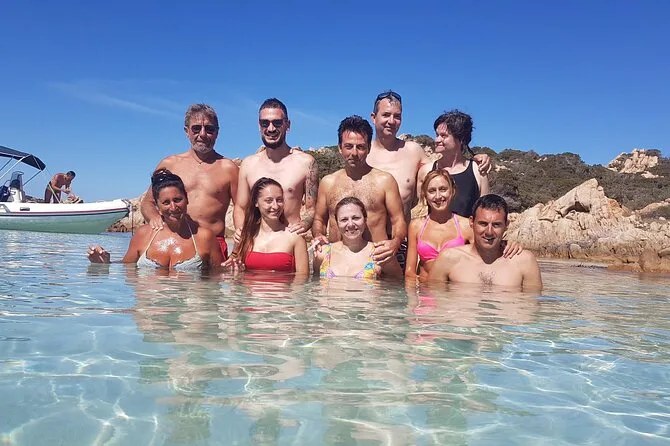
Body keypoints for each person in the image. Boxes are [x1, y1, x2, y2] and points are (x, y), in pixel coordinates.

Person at [367, 91, 491, 220]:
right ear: (373, 118)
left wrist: (479, 158)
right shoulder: (362, 153)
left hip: (402, 231)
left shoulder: (414, 152)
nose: (391, 121)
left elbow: (485, 211)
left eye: (397, 116)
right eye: (386, 115)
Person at [140, 104, 238, 260]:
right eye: (196, 128)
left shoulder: (229, 168)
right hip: (176, 242)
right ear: (187, 131)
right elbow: (148, 202)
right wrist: (154, 218)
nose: (202, 134)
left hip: (214, 246)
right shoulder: (169, 164)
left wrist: (237, 251)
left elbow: (242, 210)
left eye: (209, 129)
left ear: (217, 132)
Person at [312, 115, 406, 265]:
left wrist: (396, 242)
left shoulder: (385, 181)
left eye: (360, 147)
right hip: (337, 264)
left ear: (369, 148)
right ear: (340, 147)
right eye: (348, 146)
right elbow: (319, 219)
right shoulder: (328, 183)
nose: (354, 153)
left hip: (376, 262)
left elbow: (398, 220)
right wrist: (318, 235)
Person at [88, 169, 224, 270]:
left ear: (187, 199)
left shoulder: (205, 237)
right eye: (166, 202)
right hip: (150, 300)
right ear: (158, 207)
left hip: (191, 300)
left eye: (177, 200)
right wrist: (106, 264)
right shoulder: (143, 234)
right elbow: (127, 267)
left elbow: (218, 275)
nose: (173, 207)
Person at [234, 98, 317, 239]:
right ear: (259, 126)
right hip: (258, 243)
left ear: (287, 125)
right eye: (265, 123)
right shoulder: (248, 164)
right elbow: (240, 207)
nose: (271, 129)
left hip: (291, 241)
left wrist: (305, 224)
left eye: (277, 123)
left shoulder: (306, 163)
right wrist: (242, 233)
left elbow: (312, 208)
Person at [427, 194, 543, 290]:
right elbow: (432, 304)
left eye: (496, 225)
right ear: (471, 222)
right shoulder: (449, 259)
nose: (489, 232)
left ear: (506, 225)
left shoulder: (525, 262)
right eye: (483, 224)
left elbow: (532, 307)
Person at [417, 110, 490, 218]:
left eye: (443, 136)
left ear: (461, 139)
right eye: (437, 135)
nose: (437, 140)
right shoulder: (426, 171)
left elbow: (485, 212)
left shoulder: (478, 171)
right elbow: (418, 209)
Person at [231, 177, 309, 274]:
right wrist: (235, 255)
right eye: (269, 201)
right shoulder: (246, 236)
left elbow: (302, 279)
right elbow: (233, 271)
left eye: (279, 200)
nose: (275, 206)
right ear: (256, 202)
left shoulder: (295, 237)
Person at [313, 197, 402, 279]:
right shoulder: (322, 253)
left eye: (355, 218)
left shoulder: (380, 254)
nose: (350, 224)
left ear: (365, 220)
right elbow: (315, 282)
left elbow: (397, 285)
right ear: (337, 223)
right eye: (344, 220)